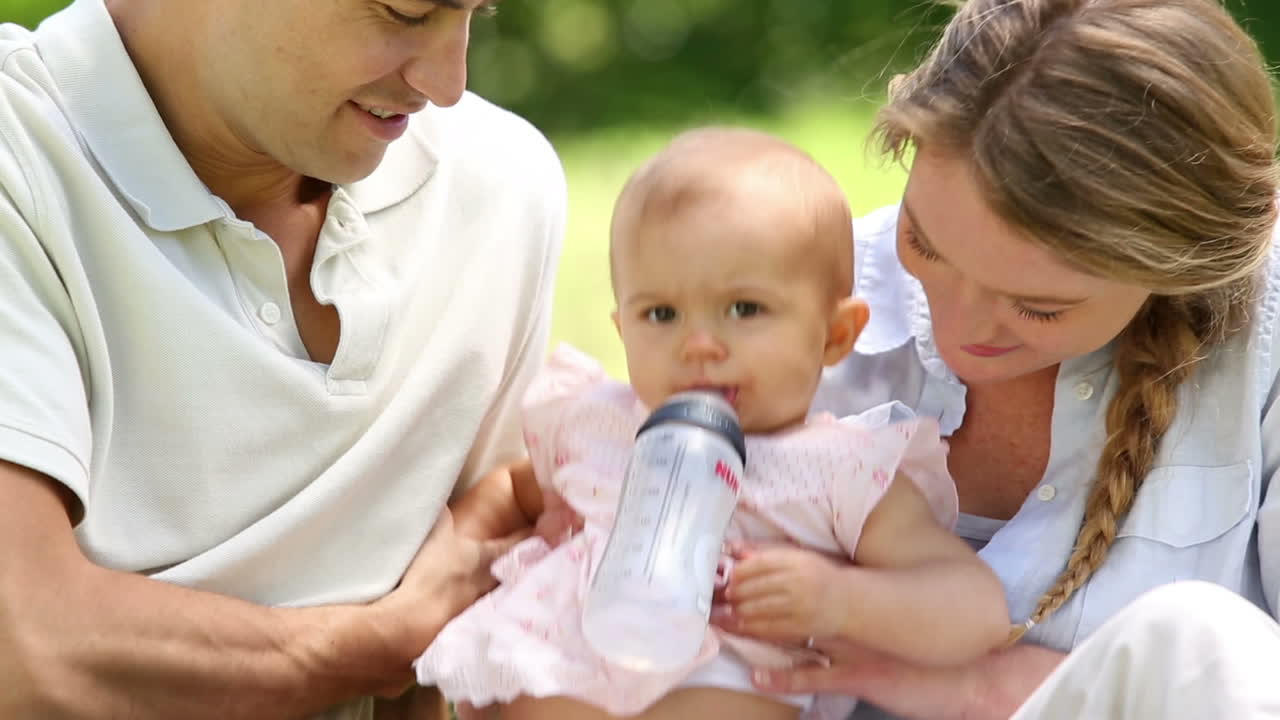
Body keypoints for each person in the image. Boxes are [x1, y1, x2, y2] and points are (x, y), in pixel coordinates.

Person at [711, 0, 1280, 718]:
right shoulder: (801, 301)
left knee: (1202, 642)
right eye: (924, 244)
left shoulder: (1267, 338)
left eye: (1038, 306)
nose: (959, 331)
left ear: (1189, 265)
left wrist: (984, 685)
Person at [0, 0, 564, 718]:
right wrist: (369, 645)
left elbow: (473, 634)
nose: (446, 84)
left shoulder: (502, 187)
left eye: (475, 15)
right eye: (407, 11)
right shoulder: (19, 162)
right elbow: (24, 649)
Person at [414, 127, 1010, 720]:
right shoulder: (596, 422)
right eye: (662, 314)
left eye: (744, 308)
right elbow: (512, 490)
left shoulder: (842, 471)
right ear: (624, 330)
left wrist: (842, 601)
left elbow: (975, 610)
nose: (698, 345)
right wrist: (449, 565)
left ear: (834, 336)